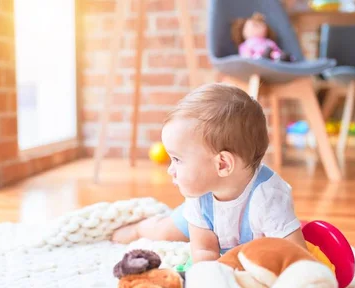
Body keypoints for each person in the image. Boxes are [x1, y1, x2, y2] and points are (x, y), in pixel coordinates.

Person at [112, 83, 306, 264]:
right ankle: (139, 228)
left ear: (222, 164)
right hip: (209, 221)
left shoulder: (268, 199)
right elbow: (205, 250)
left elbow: (296, 258)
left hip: (248, 242)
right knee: (164, 231)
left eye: (177, 160)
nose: (170, 169)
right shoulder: (199, 194)